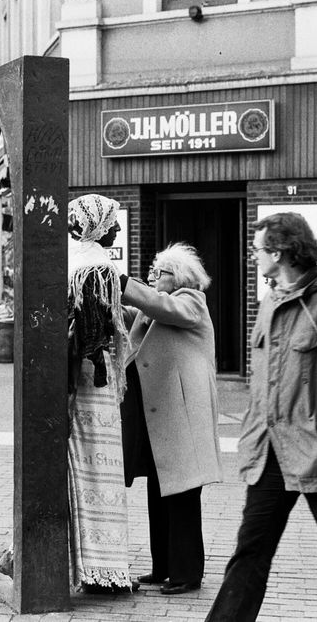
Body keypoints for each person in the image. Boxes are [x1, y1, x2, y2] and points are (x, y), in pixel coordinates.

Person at [206, 212, 317, 621]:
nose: (253, 257)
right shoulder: (270, 300)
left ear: (280, 252)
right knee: (251, 550)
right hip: (270, 453)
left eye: (257, 249)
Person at [119, 243, 223, 595]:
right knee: (158, 495)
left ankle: (187, 573)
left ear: (177, 277)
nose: (151, 277)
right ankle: (162, 566)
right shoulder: (157, 309)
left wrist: (125, 284)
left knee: (181, 499)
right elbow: (132, 313)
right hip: (161, 420)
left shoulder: (190, 301)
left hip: (182, 422)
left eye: (158, 272)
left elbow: (158, 305)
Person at [66, 193, 135, 594]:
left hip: (75, 381)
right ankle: (101, 567)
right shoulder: (96, 266)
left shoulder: (70, 259)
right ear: (97, 226)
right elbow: (94, 336)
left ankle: (90, 565)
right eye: (113, 223)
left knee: (79, 471)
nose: (118, 230)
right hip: (94, 385)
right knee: (97, 473)